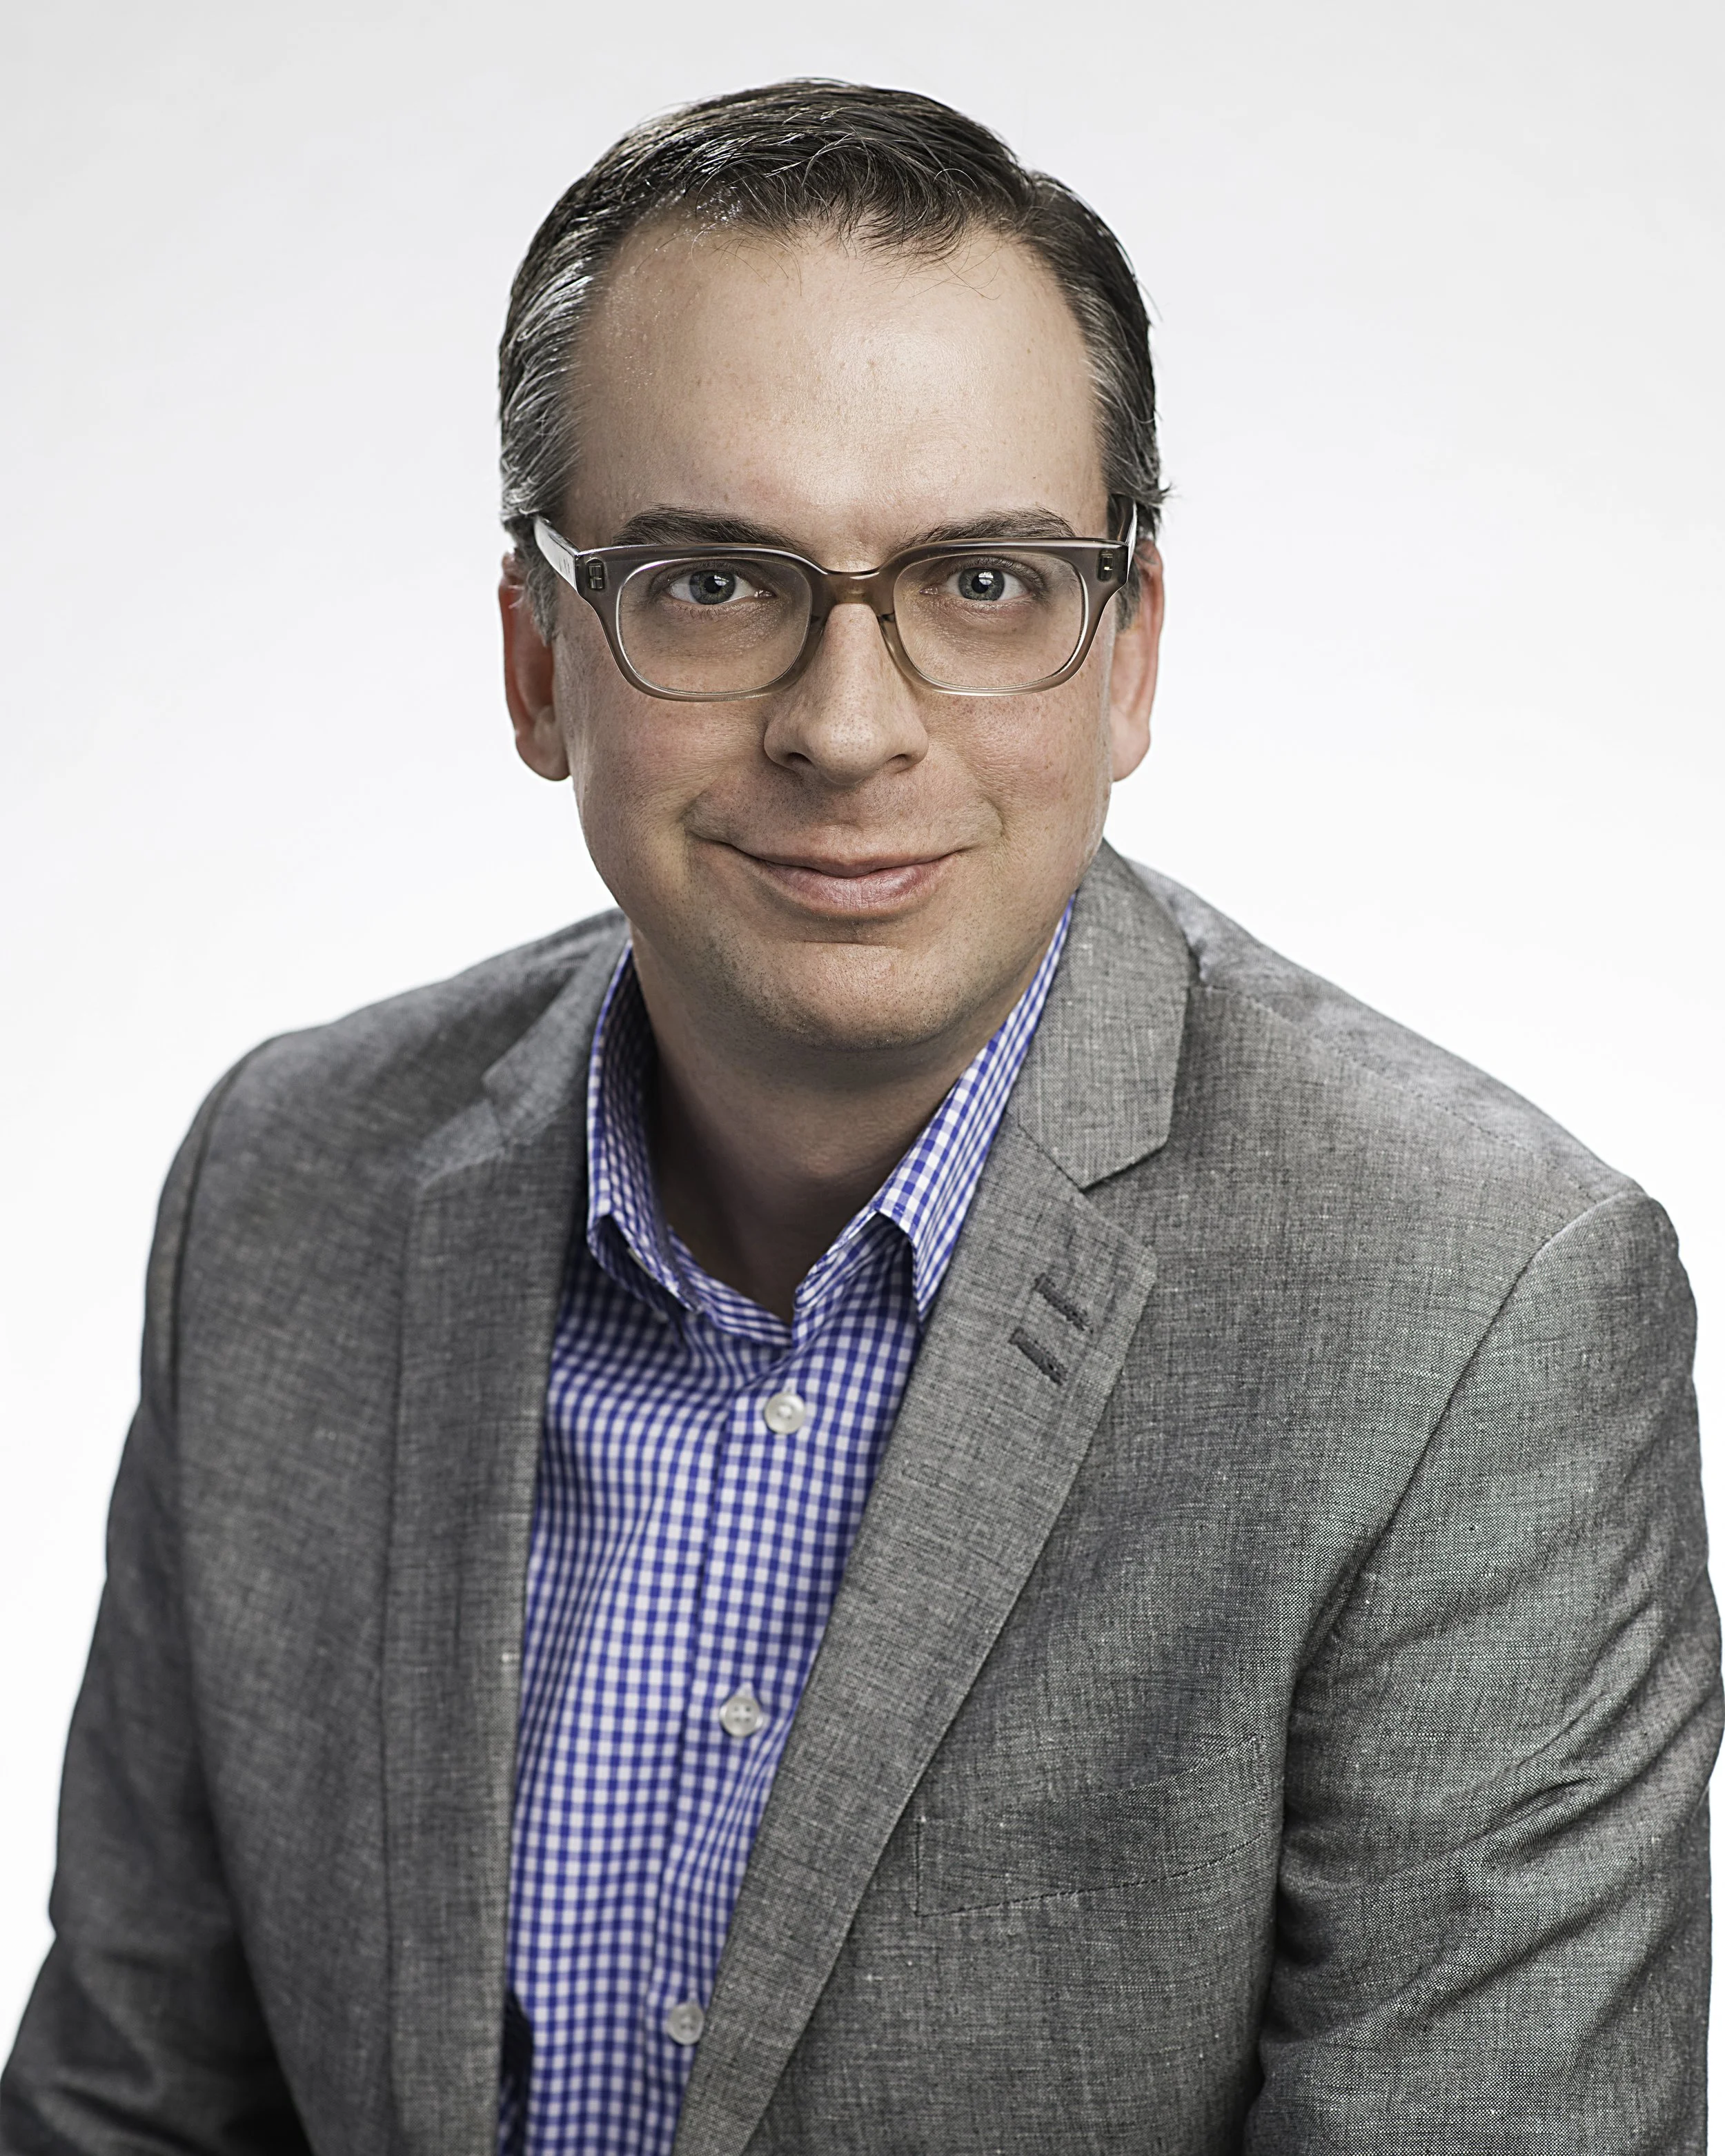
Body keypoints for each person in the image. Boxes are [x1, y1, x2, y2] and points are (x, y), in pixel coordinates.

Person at [2, 77, 1717, 2156]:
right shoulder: (287, 1191)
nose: (846, 723)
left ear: (1128, 658)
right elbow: (129, 2112)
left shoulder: (1473, 1317)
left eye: (985, 584)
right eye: (711, 583)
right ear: (539, 660)